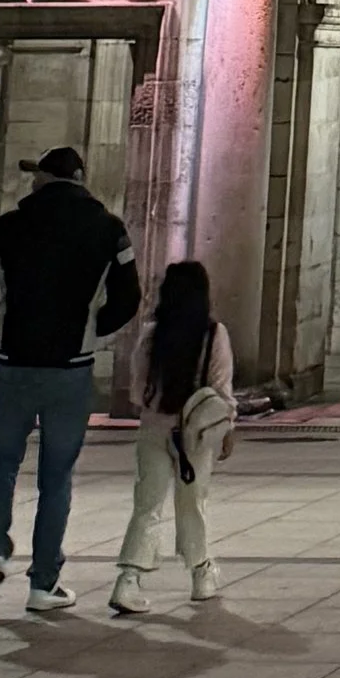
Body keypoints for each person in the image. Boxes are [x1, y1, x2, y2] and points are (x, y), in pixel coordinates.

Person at [0, 145, 140, 617]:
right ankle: (43, 583)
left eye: (36, 174)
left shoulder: (9, 226)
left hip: (13, 364)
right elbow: (129, 295)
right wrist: (91, 330)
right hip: (70, 369)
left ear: (46, 178)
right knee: (56, 478)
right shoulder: (109, 229)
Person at [110, 259, 234, 618]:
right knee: (192, 501)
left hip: (154, 426)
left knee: (147, 504)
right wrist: (228, 428)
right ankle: (201, 574)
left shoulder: (152, 334)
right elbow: (222, 390)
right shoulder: (213, 334)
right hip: (194, 432)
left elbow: (137, 390)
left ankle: (129, 579)